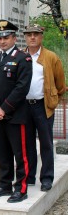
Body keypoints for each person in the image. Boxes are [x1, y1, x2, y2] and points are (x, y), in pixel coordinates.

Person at [0, 20, 32, 203]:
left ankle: (21, 188)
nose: (2, 41)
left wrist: (3, 108)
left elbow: (22, 88)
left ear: (13, 38)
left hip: (15, 115)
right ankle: (4, 185)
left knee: (20, 154)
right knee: (3, 153)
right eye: (0, 37)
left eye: (6, 37)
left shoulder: (22, 58)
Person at [23, 24, 66, 191]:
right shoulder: (20, 55)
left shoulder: (51, 57)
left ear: (41, 37)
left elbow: (61, 85)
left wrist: (53, 99)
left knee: (46, 143)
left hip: (43, 106)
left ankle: (47, 178)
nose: (32, 37)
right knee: (27, 143)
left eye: (36, 34)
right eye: (29, 34)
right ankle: (29, 176)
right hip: (24, 106)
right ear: (25, 37)